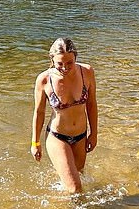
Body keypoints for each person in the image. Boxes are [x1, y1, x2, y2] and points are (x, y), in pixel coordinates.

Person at [30, 37, 98, 193]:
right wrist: (35, 143)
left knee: (78, 177)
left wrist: (93, 133)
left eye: (69, 63)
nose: (65, 68)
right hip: (57, 137)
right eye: (60, 63)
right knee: (75, 188)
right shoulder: (44, 80)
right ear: (52, 59)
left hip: (81, 137)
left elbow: (92, 104)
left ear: (75, 58)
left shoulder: (87, 72)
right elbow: (39, 112)